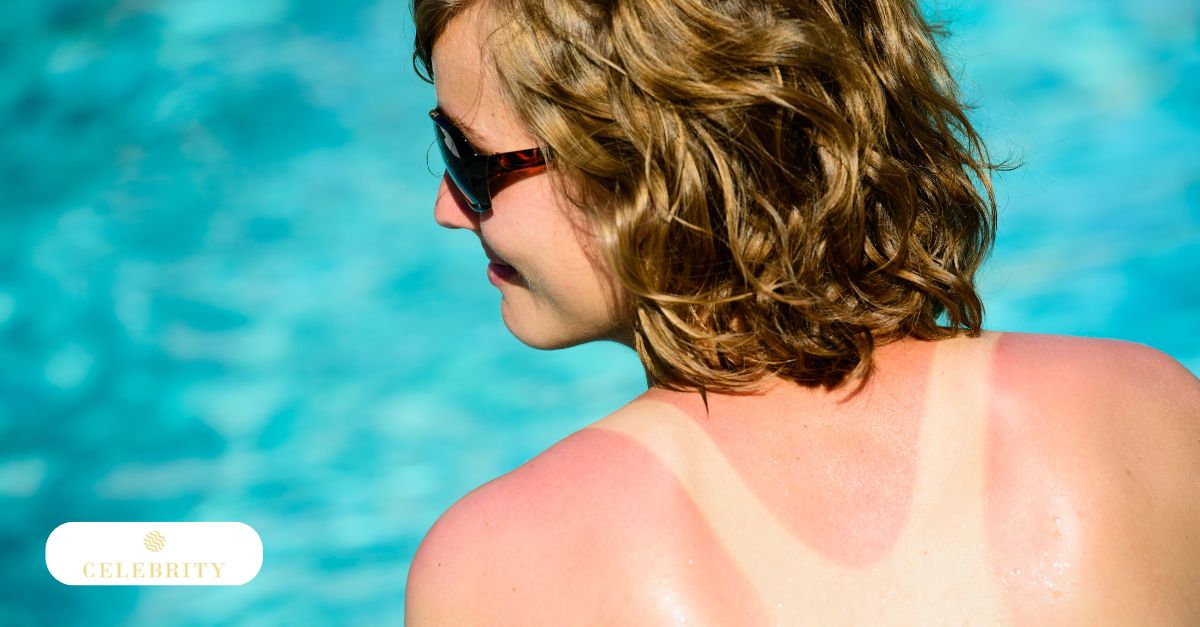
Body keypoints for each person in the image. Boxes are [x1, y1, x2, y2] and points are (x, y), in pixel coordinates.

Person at [404, 0, 1200, 623]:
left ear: (643, 162)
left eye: (466, 158)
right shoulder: (1144, 410)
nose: (448, 206)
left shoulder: (499, 566)